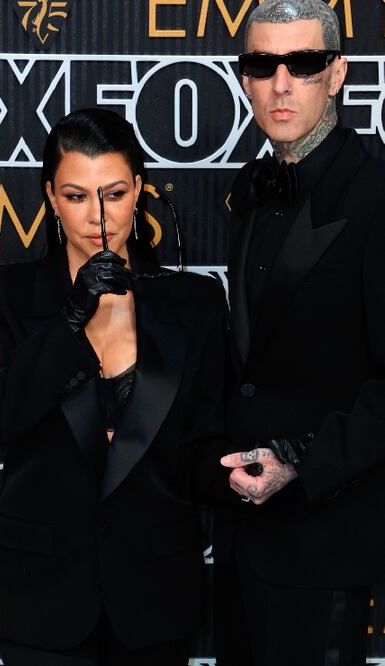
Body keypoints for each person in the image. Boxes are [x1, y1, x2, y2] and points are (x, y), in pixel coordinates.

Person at [0, 108, 233, 665]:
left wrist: (250, 472)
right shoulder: (13, 295)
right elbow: (1, 421)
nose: (98, 216)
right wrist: (69, 321)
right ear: (51, 199)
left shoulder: (193, 305)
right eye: (77, 196)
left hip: (156, 596)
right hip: (42, 599)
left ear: (140, 191)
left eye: (115, 193)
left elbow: (201, 447)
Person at [214, 1, 385, 664]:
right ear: (244, 78)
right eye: (262, 64)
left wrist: (299, 460)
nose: (280, 82)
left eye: (303, 63)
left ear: (336, 74)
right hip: (239, 538)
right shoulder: (250, 187)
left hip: (323, 538)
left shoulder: (374, 192)